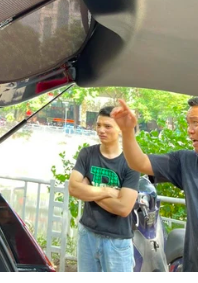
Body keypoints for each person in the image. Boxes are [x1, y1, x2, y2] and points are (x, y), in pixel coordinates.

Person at [111, 97, 198, 272]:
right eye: (188, 123)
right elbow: (139, 162)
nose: (189, 130)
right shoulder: (186, 161)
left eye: (196, 123)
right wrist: (127, 131)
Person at [69, 106, 140, 272]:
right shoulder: (87, 154)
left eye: (107, 126)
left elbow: (123, 208)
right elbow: (73, 188)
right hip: (87, 234)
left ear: (120, 129)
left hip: (117, 241)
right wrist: (107, 191)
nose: (101, 130)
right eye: (98, 125)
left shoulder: (131, 162)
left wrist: (88, 189)